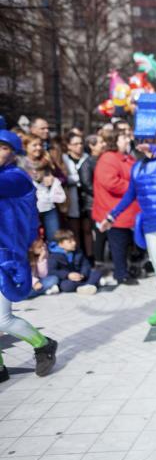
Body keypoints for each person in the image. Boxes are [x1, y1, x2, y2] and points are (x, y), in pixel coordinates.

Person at [100, 94, 156, 325]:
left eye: (151, 140)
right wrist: (111, 216)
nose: (146, 144)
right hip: (150, 220)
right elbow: (129, 196)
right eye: (143, 140)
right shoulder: (137, 168)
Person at [0, 129, 59, 383]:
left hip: (7, 256)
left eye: (3, 147)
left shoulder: (16, 177)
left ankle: (43, 344)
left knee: (3, 319)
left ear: (13, 152)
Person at [92, 127, 140, 286]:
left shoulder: (127, 157)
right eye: (123, 138)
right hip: (113, 210)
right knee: (118, 244)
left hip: (126, 210)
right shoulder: (108, 158)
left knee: (126, 243)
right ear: (115, 141)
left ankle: (127, 268)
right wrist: (133, 186)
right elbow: (111, 183)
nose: (128, 140)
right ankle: (121, 273)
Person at [46, 229, 102, 295]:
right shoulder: (54, 256)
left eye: (74, 240)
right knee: (66, 286)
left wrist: (83, 274)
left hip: (80, 277)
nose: (74, 243)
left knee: (97, 272)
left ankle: (86, 286)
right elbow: (52, 271)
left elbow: (85, 265)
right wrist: (68, 275)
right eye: (70, 242)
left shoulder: (78, 252)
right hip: (68, 279)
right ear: (61, 244)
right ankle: (89, 285)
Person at [62, 132, 91, 257]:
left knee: (87, 229)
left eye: (81, 143)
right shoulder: (64, 159)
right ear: (68, 146)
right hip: (72, 197)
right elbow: (63, 177)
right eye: (75, 144)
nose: (79, 146)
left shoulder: (87, 157)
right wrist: (74, 179)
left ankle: (90, 257)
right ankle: (78, 256)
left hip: (86, 198)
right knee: (75, 230)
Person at [80, 133, 105, 264]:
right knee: (98, 234)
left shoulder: (105, 160)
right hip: (93, 204)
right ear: (91, 146)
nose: (104, 144)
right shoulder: (87, 164)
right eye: (100, 142)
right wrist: (103, 194)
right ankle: (97, 262)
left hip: (106, 203)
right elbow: (86, 184)